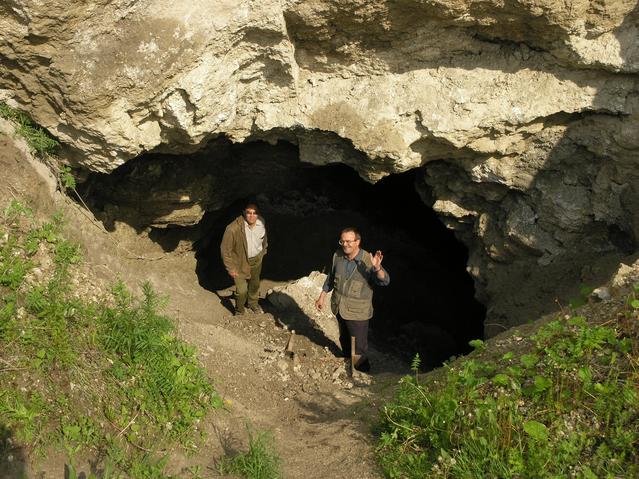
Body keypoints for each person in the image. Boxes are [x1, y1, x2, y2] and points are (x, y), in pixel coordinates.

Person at [315, 227, 389, 372]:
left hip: (358, 312)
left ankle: (361, 371)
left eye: (349, 241)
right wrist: (321, 297)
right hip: (339, 306)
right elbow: (331, 277)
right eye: (342, 241)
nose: (345, 244)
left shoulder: (368, 260)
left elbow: (384, 281)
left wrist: (377, 268)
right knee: (344, 338)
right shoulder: (338, 256)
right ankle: (348, 361)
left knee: (359, 345)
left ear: (357, 242)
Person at [220, 203, 268, 315]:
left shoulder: (261, 222)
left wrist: (263, 251)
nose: (252, 216)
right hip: (239, 264)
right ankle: (239, 310)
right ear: (244, 213)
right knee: (242, 291)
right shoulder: (233, 229)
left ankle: (253, 304)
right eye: (249, 213)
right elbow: (225, 250)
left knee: (255, 284)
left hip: (256, 260)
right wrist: (230, 268)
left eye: (254, 213)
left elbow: (264, 239)